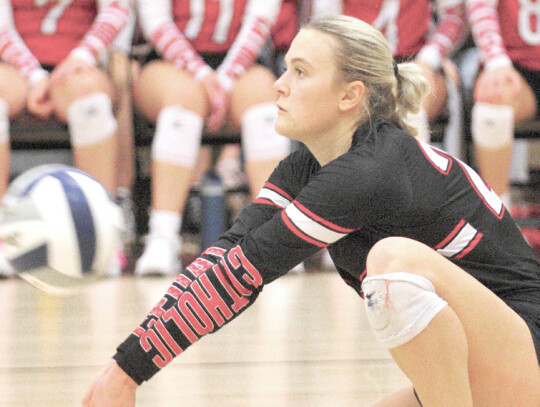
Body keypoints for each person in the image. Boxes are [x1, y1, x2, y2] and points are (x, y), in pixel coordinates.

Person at [83, 15, 540, 407]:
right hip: (480, 368)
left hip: (524, 354)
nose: (279, 85)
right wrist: (122, 366)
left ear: (350, 96)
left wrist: (128, 372)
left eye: (300, 73)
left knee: (392, 261)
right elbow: (225, 258)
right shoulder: (310, 163)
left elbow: (243, 274)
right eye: (286, 69)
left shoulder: (372, 170)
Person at [132, 0, 291, 277]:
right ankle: (163, 237)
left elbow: (260, 22)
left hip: (240, 64)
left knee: (266, 109)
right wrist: (203, 77)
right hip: (169, 63)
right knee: (182, 106)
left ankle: (275, 236)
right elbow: (155, 22)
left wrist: (224, 81)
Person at [0, 0, 135, 276]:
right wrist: (35, 75)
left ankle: (103, 237)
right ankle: (4, 241)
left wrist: (81, 57)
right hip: (16, 67)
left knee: (90, 98)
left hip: (78, 64)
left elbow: (118, 8)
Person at [311, 0, 468, 144]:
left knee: (416, 95)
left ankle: (411, 166)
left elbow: (454, 17)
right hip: (355, 60)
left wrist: (431, 57)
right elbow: (325, 26)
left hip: (415, 59)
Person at [466, 0, 540, 211]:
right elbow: (480, 6)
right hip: (513, 67)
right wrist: (497, 62)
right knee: (493, 102)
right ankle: (500, 216)